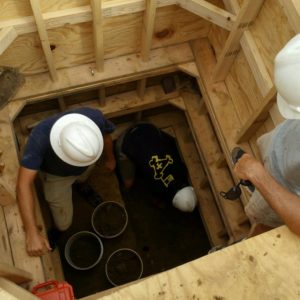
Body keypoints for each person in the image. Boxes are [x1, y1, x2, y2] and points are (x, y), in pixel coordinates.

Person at [17, 107, 116, 256]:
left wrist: (111, 158)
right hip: (56, 176)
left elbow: (107, 136)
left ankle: (81, 185)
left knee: (83, 176)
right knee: (64, 223)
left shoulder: (93, 118)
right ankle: (58, 230)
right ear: (60, 151)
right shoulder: (39, 139)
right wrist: (32, 233)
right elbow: (23, 184)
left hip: (86, 164)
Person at [233, 34, 300, 237]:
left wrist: (258, 175)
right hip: (285, 146)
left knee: (262, 224)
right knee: (268, 148)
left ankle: (244, 241)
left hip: (287, 185)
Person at [115, 122, 197, 212]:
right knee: (128, 183)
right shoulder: (158, 188)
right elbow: (153, 191)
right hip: (126, 140)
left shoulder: (182, 170)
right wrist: (158, 202)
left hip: (148, 128)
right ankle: (125, 191)